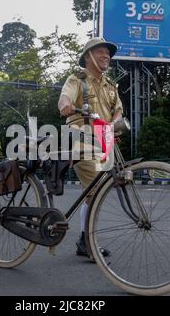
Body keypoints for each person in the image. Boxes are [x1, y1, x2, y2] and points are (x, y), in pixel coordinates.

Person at [58, 37, 124, 257]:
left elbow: (118, 110)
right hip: (82, 138)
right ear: (88, 57)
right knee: (96, 188)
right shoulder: (77, 79)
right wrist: (66, 105)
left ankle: (84, 239)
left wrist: (114, 125)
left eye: (108, 53)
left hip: (105, 139)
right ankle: (87, 241)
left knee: (95, 190)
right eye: (100, 52)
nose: (106, 56)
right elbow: (65, 96)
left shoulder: (110, 85)